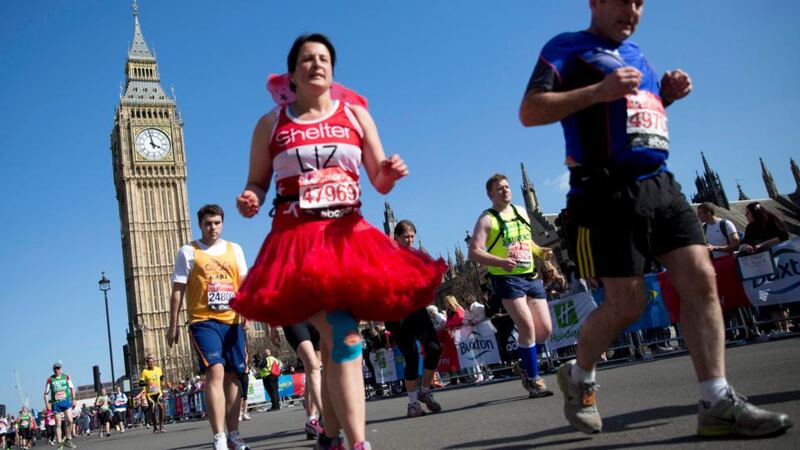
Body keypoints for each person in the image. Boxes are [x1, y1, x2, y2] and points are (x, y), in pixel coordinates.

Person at [519, 0, 792, 437]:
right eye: (622, 0)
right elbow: (530, 110)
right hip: (604, 190)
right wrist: (596, 92)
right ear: (596, 3)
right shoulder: (567, 47)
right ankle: (580, 375)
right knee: (625, 305)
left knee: (702, 277)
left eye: (640, 2)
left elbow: (632, 120)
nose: (632, 9)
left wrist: (664, 96)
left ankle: (715, 399)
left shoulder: (638, 55)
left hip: (661, 184)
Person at [230, 33, 445, 450]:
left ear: (333, 70)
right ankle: (358, 443)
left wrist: (391, 172)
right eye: (307, 59)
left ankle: (329, 437)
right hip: (298, 243)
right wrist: (251, 198)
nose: (317, 64)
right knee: (345, 337)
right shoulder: (270, 124)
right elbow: (256, 182)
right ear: (292, 73)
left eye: (324, 58)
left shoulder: (356, 115)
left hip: (350, 238)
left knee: (333, 350)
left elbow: (378, 180)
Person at [167, 204, 251, 450]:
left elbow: (244, 284)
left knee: (234, 377)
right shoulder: (188, 251)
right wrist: (172, 325)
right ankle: (219, 437)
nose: (212, 227)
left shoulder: (235, 249)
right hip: (203, 321)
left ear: (222, 223)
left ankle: (234, 434)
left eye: (216, 223)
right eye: (207, 223)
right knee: (215, 371)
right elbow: (177, 291)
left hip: (232, 320)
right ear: (200, 225)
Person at [468, 174, 555, 398]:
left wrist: (540, 251)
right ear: (490, 194)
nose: (505, 191)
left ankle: (523, 363)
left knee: (544, 330)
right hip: (506, 279)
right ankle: (535, 380)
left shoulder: (521, 212)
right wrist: (501, 262)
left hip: (530, 276)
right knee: (526, 327)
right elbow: (474, 251)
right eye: (499, 188)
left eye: (507, 187)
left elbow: (528, 242)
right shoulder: (487, 219)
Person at [384, 220, 444, 418]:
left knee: (434, 348)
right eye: (405, 237)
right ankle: (412, 404)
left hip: (417, 310)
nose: (409, 240)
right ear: (397, 238)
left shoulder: (420, 255)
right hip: (397, 313)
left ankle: (425, 391)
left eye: (412, 237)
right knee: (411, 356)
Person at [268, 322, 325, 439]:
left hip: (318, 317)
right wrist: (273, 326)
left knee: (315, 368)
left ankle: (312, 421)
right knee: (312, 364)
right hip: (294, 317)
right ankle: (326, 416)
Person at [43, 362, 76, 449]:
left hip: (66, 401)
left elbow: (72, 388)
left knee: (70, 420)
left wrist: (74, 400)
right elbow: (46, 393)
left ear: (61, 369)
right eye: (56, 368)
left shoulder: (66, 376)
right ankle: (59, 443)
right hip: (56, 403)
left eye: (59, 368)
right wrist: (47, 404)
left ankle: (68, 439)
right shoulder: (50, 379)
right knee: (58, 424)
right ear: (53, 370)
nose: (57, 370)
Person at [139, 356, 165, 434]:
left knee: (161, 407)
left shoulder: (158, 369)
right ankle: (155, 427)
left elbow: (161, 377)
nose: (151, 363)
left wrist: (163, 381)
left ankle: (161, 425)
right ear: (147, 363)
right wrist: (147, 383)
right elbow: (140, 383)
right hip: (150, 394)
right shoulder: (144, 371)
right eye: (149, 362)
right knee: (152, 410)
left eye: (152, 362)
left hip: (158, 392)